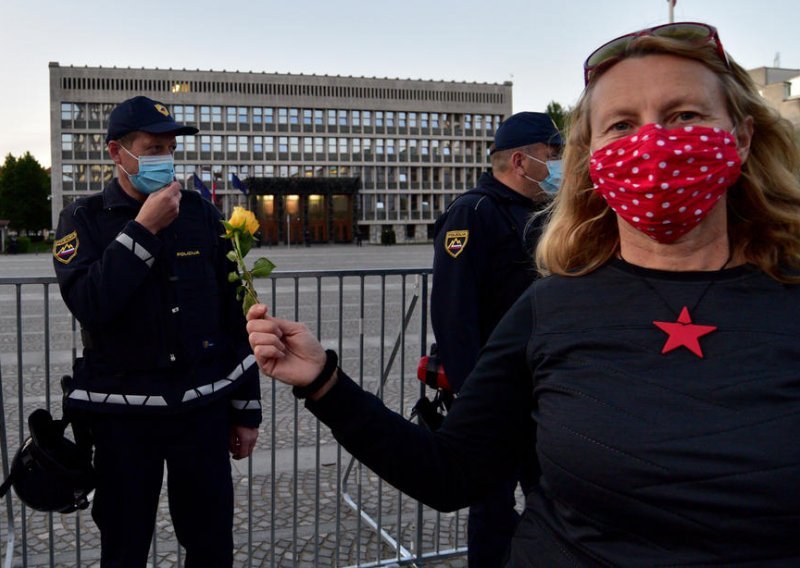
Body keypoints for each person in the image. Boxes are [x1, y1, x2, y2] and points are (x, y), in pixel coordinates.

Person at [246, 21, 800, 566]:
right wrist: (325, 383)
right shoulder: (546, 301)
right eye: (622, 125)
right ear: (595, 157)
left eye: (684, 115)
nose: (651, 142)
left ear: (742, 136)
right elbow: (453, 458)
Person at [53, 96, 262, 567]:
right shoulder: (81, 221)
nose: (165, 159)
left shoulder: (202, 214)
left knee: (211, 544)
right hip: (122, 421)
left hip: (201, 414)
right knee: (124, 546)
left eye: (170, 148)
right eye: (152, 147)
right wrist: (143, 230)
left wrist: (247, 410)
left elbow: (236, 317)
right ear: (116, 152)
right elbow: (90, 303)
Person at [430, 111, 561, 566]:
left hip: (545, 386)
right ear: (522, 162)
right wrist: (474, 393)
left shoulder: (548, 212)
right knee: (492, 504)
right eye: (554, 155)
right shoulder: (474, 212)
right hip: (497, 391)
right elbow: (453, 311)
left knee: (553, 496)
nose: (561, 164)